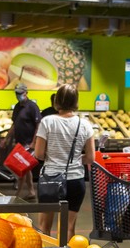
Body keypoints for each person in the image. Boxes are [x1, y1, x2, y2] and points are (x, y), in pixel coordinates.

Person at [34, 83, 94, 238]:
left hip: (51, 179)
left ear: (57, 101)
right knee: (68, 229)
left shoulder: (47, 122)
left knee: (44, 228)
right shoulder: (85, 124)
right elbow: (90, 158)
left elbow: (39, 154)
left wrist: (54, 155)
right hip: (75, 180)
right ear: (76, 102)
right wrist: (74, 158)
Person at [1, 83, 42, 200]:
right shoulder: (18, 107)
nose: (18, 96)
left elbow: (38, 125)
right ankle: (30, 191)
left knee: (22, 167)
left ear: (26, 93)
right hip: (20, 142)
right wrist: (6, 138)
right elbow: (15, 125)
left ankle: (18, 194)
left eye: (20, 93)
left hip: (29, 143)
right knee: (26, 167)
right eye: (17, 94)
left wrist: (34, 142)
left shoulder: (32, 107)